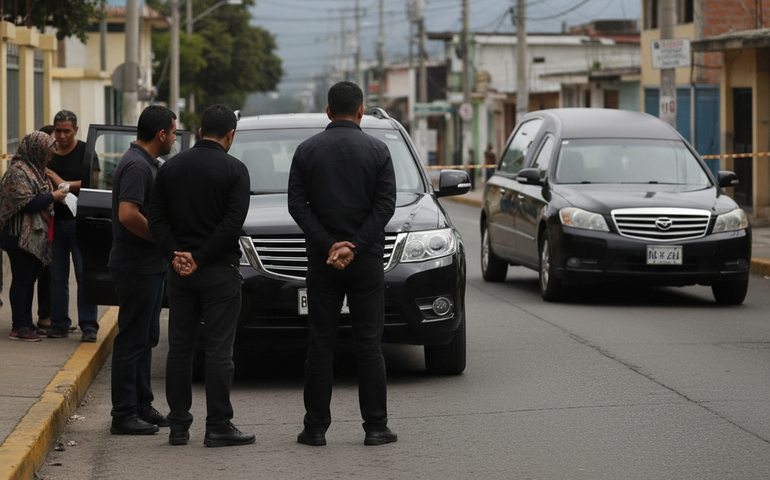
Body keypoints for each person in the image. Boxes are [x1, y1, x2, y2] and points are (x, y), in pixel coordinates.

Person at [287, 81, 398, 446]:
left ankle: (315, 428)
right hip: (365, 262)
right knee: (369, 344)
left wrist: (329, 246)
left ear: (328, 112)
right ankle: (376, 427)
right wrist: (356, 246)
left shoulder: (306, 151)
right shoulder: (379, 150)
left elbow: (297, 206)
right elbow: (385, 207)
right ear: (361, 110)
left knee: (320, 343)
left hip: (323, 263)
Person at [148, 104, 253, 448]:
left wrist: (177, 255)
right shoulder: (236, 170)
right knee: (220, 351)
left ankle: (178, 426)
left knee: (180, 349)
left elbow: (156, 218)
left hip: (179, 274)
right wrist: (201, 257)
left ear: (199, 130)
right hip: (219, 272)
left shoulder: (170, 168)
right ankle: (219, 425)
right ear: (230, 135)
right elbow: (232, 224)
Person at [108, 105, 176, 435]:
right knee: (132, 340)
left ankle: (141, 404)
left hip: (148, 267)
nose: (175, 139)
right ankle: (123, 413)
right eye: (174, 133)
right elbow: (128, 214)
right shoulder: (136, 165)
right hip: (135, 267)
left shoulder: (147, 163)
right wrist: (162, 239)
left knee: (146, 338)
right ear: (161, 134)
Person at [0, 131, 67, 341]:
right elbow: (26, 202)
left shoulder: (37, 170)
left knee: (29, 279)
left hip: (33, 237)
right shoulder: (18, 172)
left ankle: (27, 323)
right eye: (45, 153)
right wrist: (53, 197)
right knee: (21, 279)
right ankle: (18, 326)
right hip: (18, 235)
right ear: (35, 150)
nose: (48, 157)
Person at [45, 111, 99, 342]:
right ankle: (59, 323)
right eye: (58, 130)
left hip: (81, 224)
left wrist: (60, 182)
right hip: (54, 224)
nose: (62, 135)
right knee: (57, 277)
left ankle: (88, 326)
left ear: (76, 130)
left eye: (67, 131)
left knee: (84, 275)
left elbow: (93, 182)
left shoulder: (86, 151)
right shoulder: (49, 153)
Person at [33, 125, 54, 334]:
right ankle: (42, 317)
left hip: (52, 227)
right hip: (37, 231)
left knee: (54, 274)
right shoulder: (29, 170)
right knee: (41, 274)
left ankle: (55, 317)